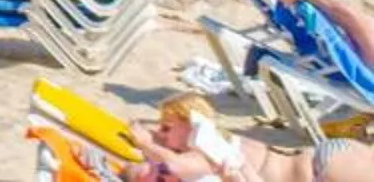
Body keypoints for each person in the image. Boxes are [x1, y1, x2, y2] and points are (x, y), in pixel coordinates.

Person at [127, 91, 374, 179]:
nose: (162, 134)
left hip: (320, 171)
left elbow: (174, 165)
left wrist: (147, 144)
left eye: (167, 128)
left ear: (189, 122)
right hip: (327, 159)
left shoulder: (206, 150)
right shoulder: (219, 138)